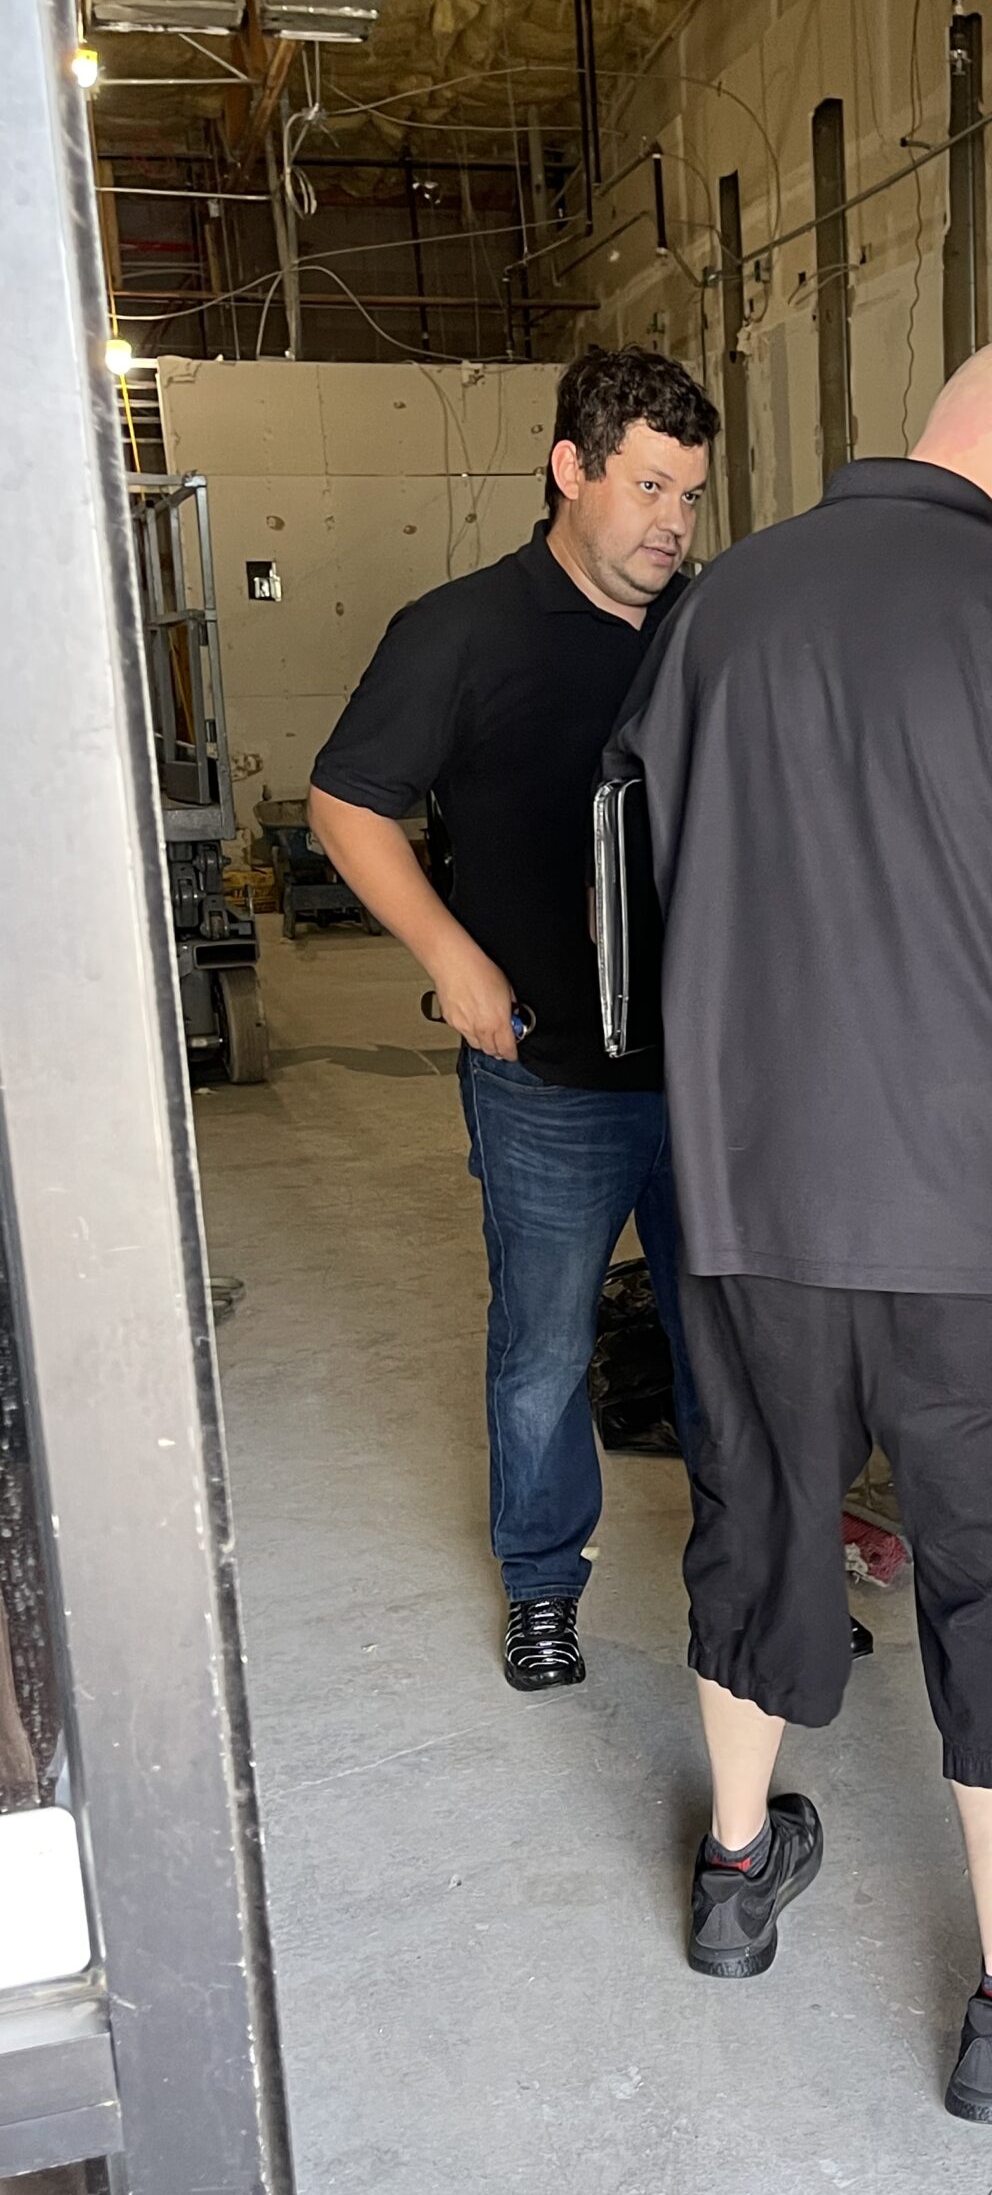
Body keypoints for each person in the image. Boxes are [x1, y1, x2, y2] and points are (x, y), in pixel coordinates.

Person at [606, 335, 992, 2123]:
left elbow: (648, 857)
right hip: (968, 1208)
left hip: (747, 1188)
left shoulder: (721, 608)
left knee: (762, 1509)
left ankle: (735, 1875)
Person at [309, 348, 716, 1694]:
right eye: (650, 485)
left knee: (739, 1344)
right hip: (546, 1077)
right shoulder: (462, 631)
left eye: (693, 494)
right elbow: (350, 802)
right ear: (573, 469)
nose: (673, 521)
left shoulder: (715, 627)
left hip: (720, 1075)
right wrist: (450, 955)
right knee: (543, 1348)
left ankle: (748, 1587)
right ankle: (545, 1586)